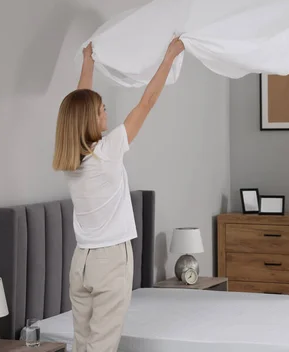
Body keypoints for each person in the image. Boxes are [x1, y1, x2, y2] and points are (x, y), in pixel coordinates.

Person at [52, 37, 185, 351]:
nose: (106, 114)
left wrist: (89, 62)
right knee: (101, 346)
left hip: (80, 262)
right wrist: (169, 57)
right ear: (91, 119)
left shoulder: (71, 159)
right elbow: (147, 101)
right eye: (102, 110)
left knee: (83, 343)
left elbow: (78, 102)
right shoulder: (107, 152)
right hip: (110, 260)